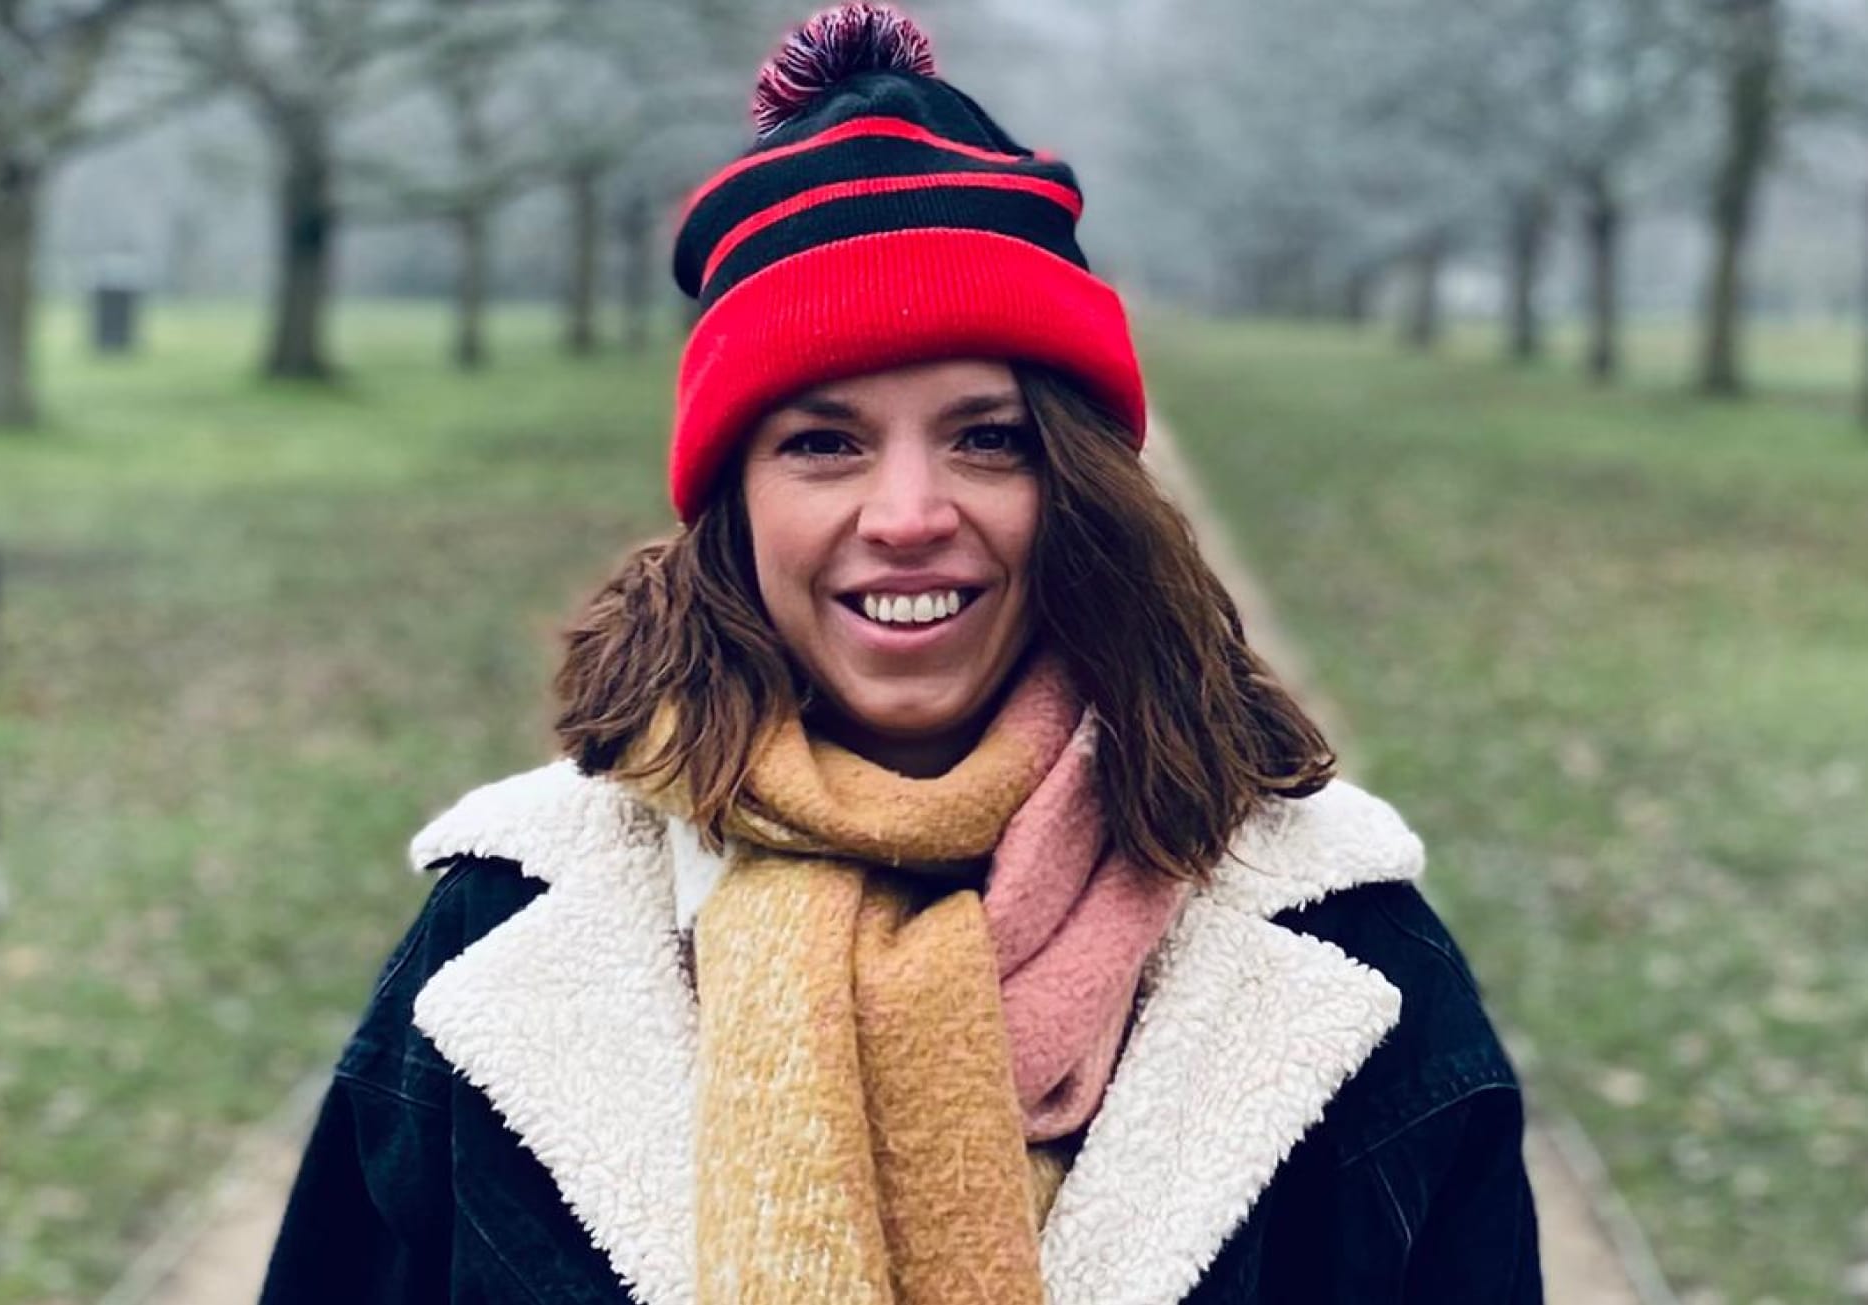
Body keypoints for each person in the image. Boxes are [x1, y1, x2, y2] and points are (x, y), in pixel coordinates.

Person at [257, 4, 1543, 1302]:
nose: (910, 514)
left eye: (989, 437)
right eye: (824, 441)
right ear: (736, 504)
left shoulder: (1342, 947)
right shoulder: (510, 937)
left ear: (1081, 487)